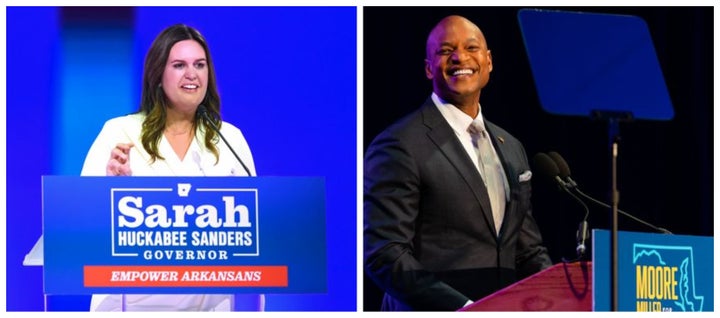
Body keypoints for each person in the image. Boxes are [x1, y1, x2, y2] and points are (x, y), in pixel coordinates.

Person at [363, 15, 552, 311]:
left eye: (471, 47)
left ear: (488, 61)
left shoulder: (511, 147)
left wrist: (555, 300)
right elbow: (385, 254)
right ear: (428, 68)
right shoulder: (400, 144)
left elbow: (527, 250)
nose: (459, 57)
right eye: (445, 51)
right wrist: (464, 308)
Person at [80, 24, 262, 311]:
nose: (192, 74)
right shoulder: (120, 133)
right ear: (158, 76)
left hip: (211, 307)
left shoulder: (229, 139)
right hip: (130, 306)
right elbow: (79, 220)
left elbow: (257, 233)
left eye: (199, 65)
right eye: (179, 65)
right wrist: (112, 186)